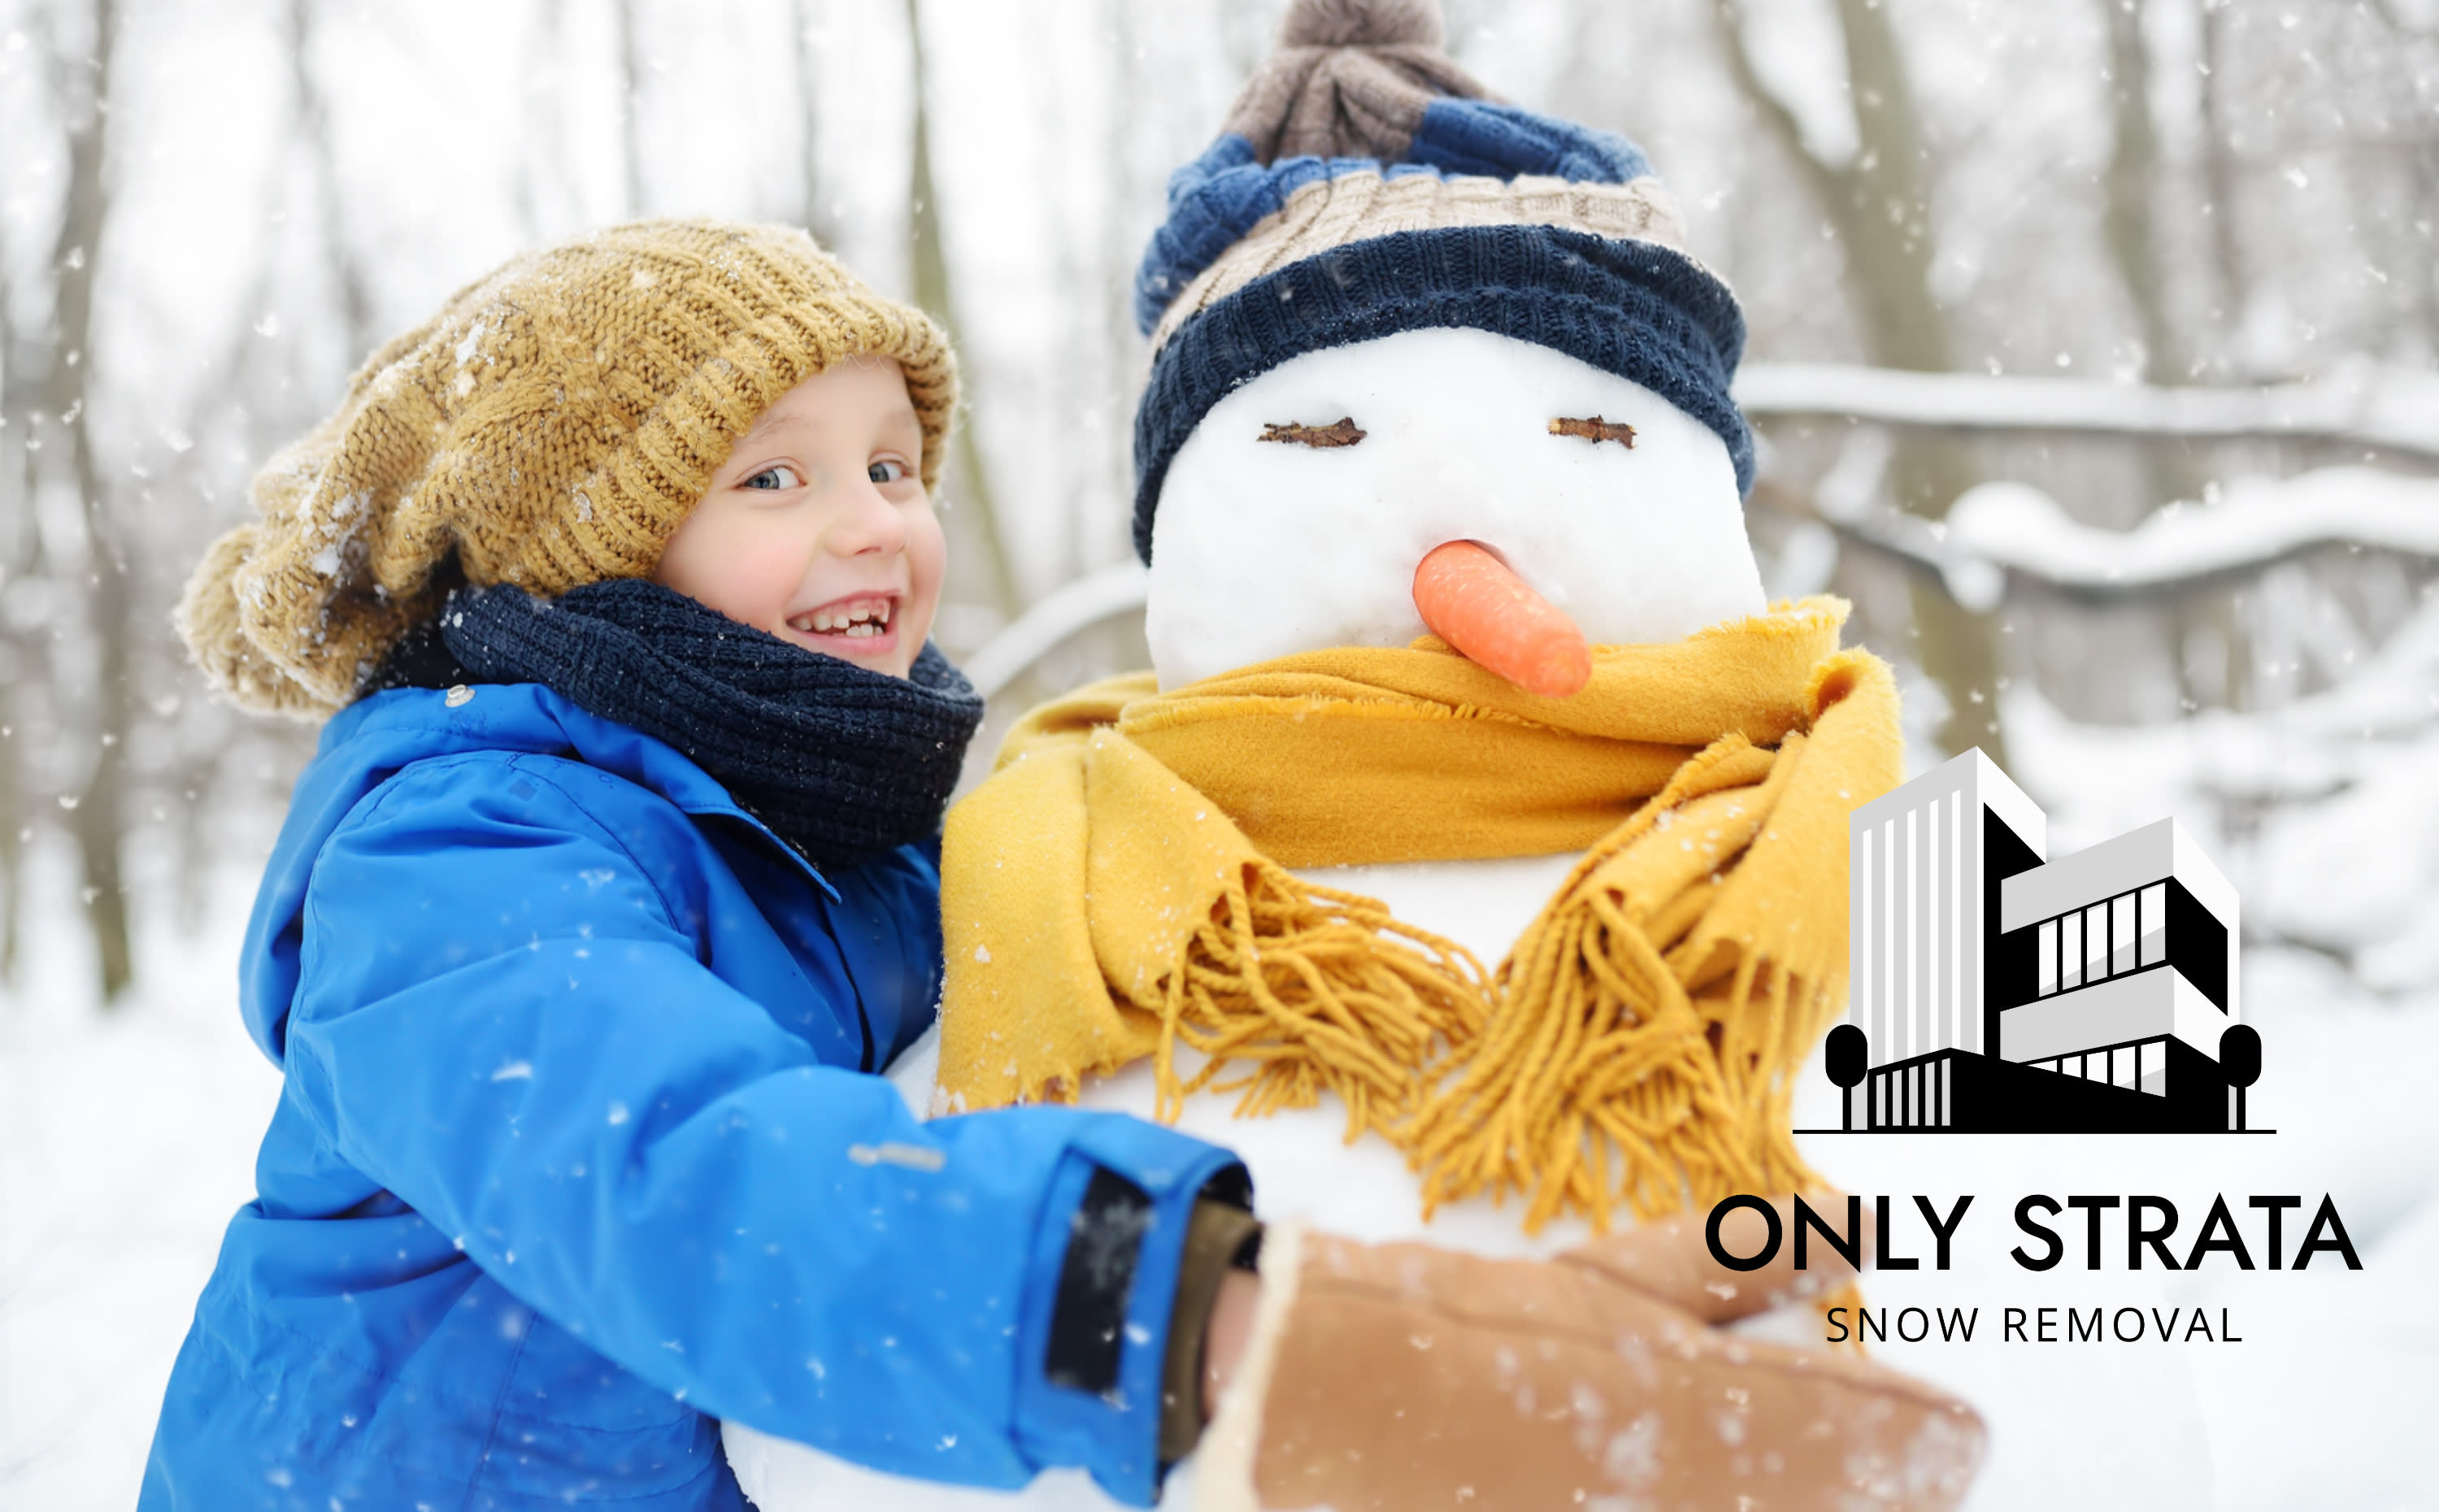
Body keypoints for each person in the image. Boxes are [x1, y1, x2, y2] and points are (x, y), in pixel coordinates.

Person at [144, 219, 1975, 1512]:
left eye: (893, 463)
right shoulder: (459, 855)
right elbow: (695, 1185)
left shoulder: (870, 830)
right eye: (773, 479)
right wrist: (1231, 1329)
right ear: (588, 554)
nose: (873, 524)